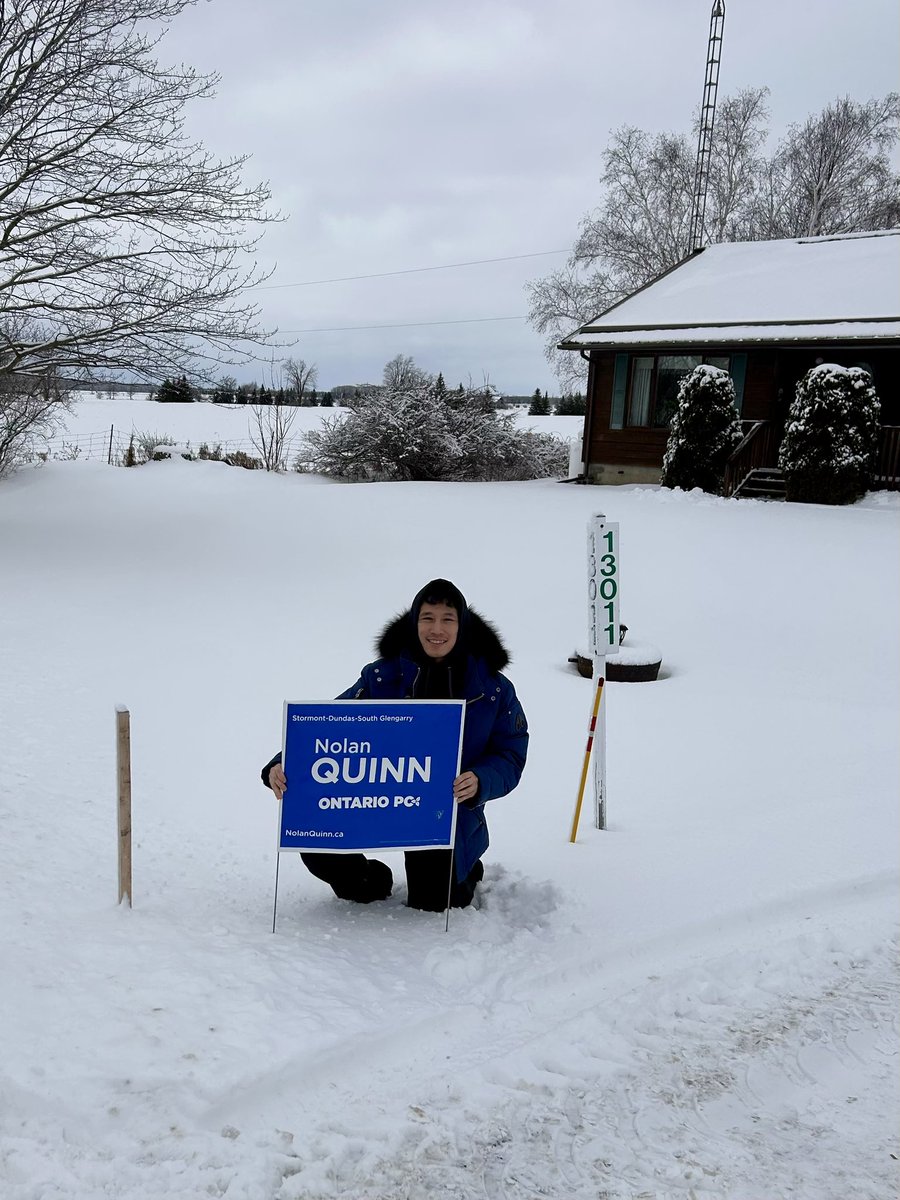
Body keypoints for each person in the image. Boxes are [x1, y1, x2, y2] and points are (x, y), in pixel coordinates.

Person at [261, 579, 528, 911]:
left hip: (443, 812)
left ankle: (465, 870)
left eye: (448, 619)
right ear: (415, 621)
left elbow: (510, 752)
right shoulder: (382, 676)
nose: (437, 629)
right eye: (427, 617)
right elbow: (327, 728)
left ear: (462, 625)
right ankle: (367, 877)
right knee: (315, 834)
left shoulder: (492, 688)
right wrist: (281, 763)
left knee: (435, 901)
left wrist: (480, 779)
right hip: (372, 795)